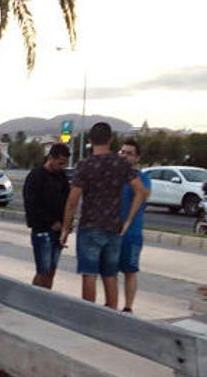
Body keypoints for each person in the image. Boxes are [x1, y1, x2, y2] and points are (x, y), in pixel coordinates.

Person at [61, 122, 149, 310]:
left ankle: (90, 315)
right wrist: (128, 220)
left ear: (91, 140)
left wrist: (65, 229)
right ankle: (111, 314)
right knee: (110, 275)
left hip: (90, 226)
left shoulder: (85, 165)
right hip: (114, 228)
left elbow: (72, 201)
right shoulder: (121, 164)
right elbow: (141, 192)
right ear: (110, 139)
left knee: (89, 274)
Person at [23, 143, 71, 289]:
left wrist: (66, 225)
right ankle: (37, 299)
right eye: (60, 163)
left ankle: (46, 297)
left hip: (58, 231)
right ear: (51, 158)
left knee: (51, 270)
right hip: (42, 230)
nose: (62, 166)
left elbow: (68, 202)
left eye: (64, 164)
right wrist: (50, 222)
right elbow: (31, 205)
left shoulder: (62, 177)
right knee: (43, 270)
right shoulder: (35, 176)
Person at [117, 139, 151, 313]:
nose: (124, 156)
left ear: (137, 158)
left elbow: (144, 196)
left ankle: (128, 307)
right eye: (122, 152)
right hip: (111, 231)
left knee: (130, 271)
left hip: (132, 233)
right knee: (109, 271)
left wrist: (132, 177)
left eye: (129, 153)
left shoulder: (142, 179)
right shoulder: (113, 175)